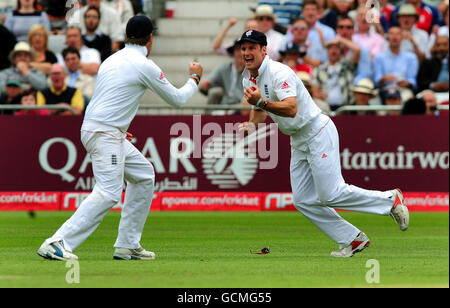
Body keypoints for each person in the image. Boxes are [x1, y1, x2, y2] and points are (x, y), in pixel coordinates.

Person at [37, 15, 203, 261]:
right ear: (150, 39)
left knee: (144, 175)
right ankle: (58, 241)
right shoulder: (143, 64)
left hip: (102, 129)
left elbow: (109, 96)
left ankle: (127, 244)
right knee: (108, 191)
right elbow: (177, 99)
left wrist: (118, 125)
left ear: (127, 36)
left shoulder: (111, 59)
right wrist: (194, 78)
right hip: (105, 132)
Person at [237, 30, 409, 258]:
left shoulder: (279, 72)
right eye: (243, 48)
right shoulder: (247, 78)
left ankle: (390, 200)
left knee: (330, 194)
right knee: (302, 200)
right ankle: (352, 239)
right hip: (297, 139)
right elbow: (259, 110)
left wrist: (261, 101)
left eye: (252, 48)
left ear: (263, 50)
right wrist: (251, 125)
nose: (247, 53)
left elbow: (290, 108)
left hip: (316, 130)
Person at [312, 37, 360, 110]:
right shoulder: (319, 69)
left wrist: (340, 39)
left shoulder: (346, 66)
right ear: (327, 52)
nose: (333, 51)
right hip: (326, 109)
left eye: (336, 48)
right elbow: (315, 91)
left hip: (345, 108)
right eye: (331, 48)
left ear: (340, 51)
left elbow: (357, 50)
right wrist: (318, 95)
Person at [373, 26, 419, 98]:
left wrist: (407, 83)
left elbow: (412, 80)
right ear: (388, 37)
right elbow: (376, 80)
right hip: (384, 90)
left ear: (402, 37)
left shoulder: (411, 57)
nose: (394, 37)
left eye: (398, 34)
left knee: (408, 97)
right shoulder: (379, 58)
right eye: (391, 34)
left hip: (403, 90)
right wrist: (384, 78)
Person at [200, 40, 245, 108]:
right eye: (238, 50)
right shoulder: (224, 69)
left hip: (244, 106)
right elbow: (205, 85)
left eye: (243, 49)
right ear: (233, 52)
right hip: (226, 105)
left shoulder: (252, 70)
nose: (241, 53)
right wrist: (205, 85)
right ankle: (207, 118)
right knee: (215, 92)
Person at [335, 15, 372, 84]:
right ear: (337, 30)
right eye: (341, 27)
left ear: (353, 30)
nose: (344, 30)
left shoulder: (362, 50)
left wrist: (349, 84)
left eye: (348, 27)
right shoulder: (332, 49)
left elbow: (365, 74)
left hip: (354, 88)